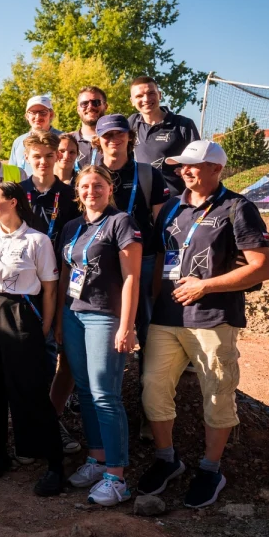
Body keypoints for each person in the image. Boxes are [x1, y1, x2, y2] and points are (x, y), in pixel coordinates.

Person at [139, 140, 269, 509]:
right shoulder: (171, 207)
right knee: (153, 387)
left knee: (217, 393)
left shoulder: (238, 207)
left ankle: (211, 468)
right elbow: (162, 259)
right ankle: (168, 460)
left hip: (213, 319)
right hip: (166, 318)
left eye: (195, 165)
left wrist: (206, 286)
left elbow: (262, 267)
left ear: (217, 168)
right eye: (183, 165)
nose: (186, 171)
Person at [0, 181, 64, 495]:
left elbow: (50, 289)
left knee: (29, 387)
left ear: (13, 202)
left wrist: (46, 326)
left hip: (20, 312)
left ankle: (54, 463)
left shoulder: (38, 240)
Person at [57, 165, 143, 506]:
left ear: (110, 188)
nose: (91, 191)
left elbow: (131, 278)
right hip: (74, 314)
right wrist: (61, 320)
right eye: (85, 186)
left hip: (105, 317)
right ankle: (97, 459)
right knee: (85, 390)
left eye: (98, 185)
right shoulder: (72, 227)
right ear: (77, 192)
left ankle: (117, 476)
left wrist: (127, 325)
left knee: (106, 395)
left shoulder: (121, 222)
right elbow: (66, 273)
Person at [20, 132, 82, 455]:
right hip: (25, 291)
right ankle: (28, 425)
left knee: (63, 358)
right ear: (27, 158)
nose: (43, 161)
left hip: (64, 286)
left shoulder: (71, 196)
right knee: (30, 361)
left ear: (58, 157)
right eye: (37, 156)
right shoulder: (17, 193)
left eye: (49, 155)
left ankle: (51, 418)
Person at [93, 114, 169, 360]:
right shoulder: (89, 177)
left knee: (148, 323)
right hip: (102, 262)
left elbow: (161, 222)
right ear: (98, 140)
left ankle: (150, 391)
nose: (114, 139)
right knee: (105, 324)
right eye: (107, 135)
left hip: (142, 259)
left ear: (130, 136)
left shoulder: (149, 174)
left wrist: (161, 260)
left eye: (119, 133)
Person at [128, 76, 201, 195]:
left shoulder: (183, 124)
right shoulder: (131, 123)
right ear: (132, 101)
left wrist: (186, 169)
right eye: (139, 96)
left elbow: (198, 163)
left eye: (151, 93)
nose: (146, 99)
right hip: (143, 199)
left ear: (160, 95)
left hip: (176, 199)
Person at [7, 95, 62, 175]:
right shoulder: (18, 142)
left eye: (43, 112)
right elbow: (11, 173)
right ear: (27, 116)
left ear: (51, 114)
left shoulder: (63, 140)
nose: (38, 116)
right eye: (33, 112)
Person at [72, 87, 108, 170]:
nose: (90, 107)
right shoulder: (68, 142)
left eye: (96, 102)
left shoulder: (115, 141)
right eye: (84, 103)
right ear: (78, 109)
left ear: (105, 106)